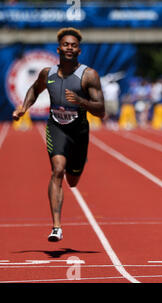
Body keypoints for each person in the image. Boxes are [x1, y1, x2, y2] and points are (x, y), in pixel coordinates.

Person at [12, 28, 105, 242]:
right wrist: (23, 108)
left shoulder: (89, 75)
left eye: (73, 45)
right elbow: (35, 90)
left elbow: (101, 111)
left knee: (72, 180)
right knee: (57, 170)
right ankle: (56, 226)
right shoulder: (48, 73)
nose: (69, 48)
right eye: (66, 44)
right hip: (57, 127)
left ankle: (78, 161)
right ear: (58, 49)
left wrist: (81, 101)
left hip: (79, 130)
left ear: (79, 50)